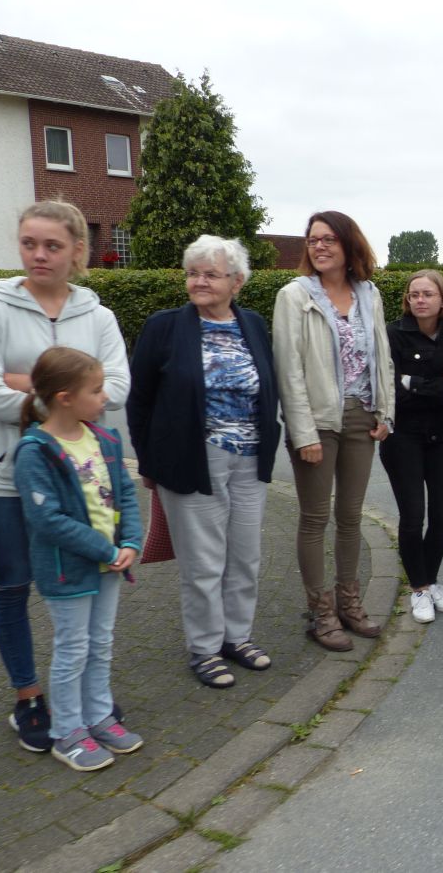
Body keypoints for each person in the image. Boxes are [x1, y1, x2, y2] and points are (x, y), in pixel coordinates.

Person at [0, 200, 130, 754]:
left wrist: (25, 383)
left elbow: (117, 388)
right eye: (29, 243)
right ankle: (29, 697)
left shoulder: (98, 316)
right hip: (5, 476)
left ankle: (88, 700)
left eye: (52, 245)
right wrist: (67, 399)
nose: (39, 255)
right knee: (12, 586)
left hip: (83, 480)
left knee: (85, 584)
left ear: (77, 250)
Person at [127, 236, 280, 688]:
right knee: (204, 563)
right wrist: (149, 461)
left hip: (250, 458)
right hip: (191, 458)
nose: (199, 282)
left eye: (211, 274)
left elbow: (267, 386)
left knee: (245, 556)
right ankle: (205, 648)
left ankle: (237, 637)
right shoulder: (164, 326)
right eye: (193, 273)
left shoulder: (253, 324)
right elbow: (140, 400)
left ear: (237, 282)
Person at [14, 347, 143, 772]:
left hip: (111, 565)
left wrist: (131, 542)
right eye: (97, 390)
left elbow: (125, 493)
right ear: (65, 398)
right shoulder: (35, 451)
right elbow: (47, 520)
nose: (105, 397)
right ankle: (67, 731)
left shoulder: (105, 439)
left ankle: (98, 716)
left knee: (100, 644)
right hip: (67, 571)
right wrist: (108, 550)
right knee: (73, 649)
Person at [273, 211, 394, 652]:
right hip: (318, 422)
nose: (319, 246)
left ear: (348, 245)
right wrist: (303, 432)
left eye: (328, 239)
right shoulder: (294, 296)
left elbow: (382, 355)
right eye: (313, 240)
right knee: (314, 518)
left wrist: (386, 412)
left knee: (350, 516)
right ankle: (320, 613)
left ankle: (349, 603)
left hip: (362, 416)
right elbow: (289, 369)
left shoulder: (368, 294)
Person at [380, 271, 443, 624]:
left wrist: (412, 382)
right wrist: (435, 385)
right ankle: (419, 588)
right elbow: (390, 391)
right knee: (413, 517)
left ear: (442, 299)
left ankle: (430, 580)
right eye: (414, 295)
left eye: (427, 294)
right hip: (403, 438)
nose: (420, 300)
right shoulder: (393, 334)